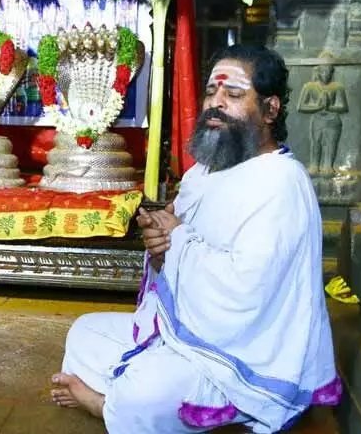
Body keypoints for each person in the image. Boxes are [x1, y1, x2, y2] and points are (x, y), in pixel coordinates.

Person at [51, 45, 339, 433]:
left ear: (270, 110)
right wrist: (158, 247)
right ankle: (137, 404)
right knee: (84, 332)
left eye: (233, 95)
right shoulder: (203, 172)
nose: (215, 104)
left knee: (144, 392)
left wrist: (178, 237)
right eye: (210, 93)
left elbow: (248, 292)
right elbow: (170, 262)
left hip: (241, 357)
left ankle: (106, 404)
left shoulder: (282, 183)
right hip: (185, 331)